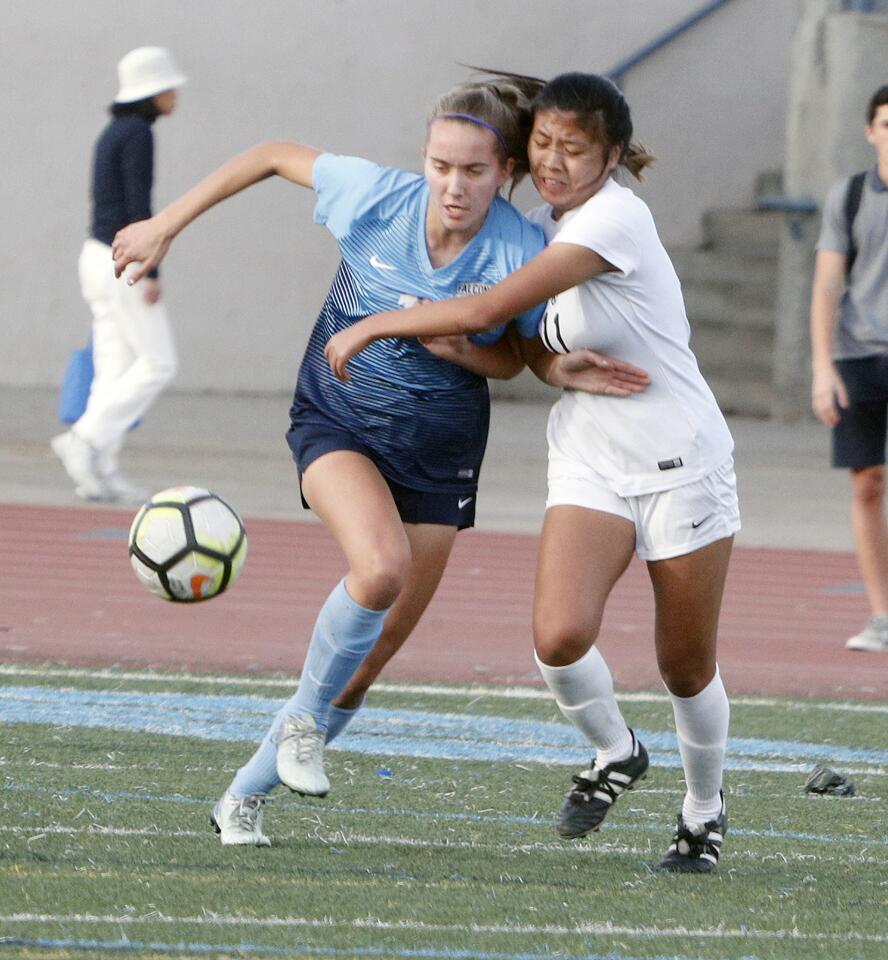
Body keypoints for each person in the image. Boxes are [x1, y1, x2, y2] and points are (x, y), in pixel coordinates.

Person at [111, 74, 650, 847]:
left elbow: (516, 359)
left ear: (505, 172)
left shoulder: (522, 247)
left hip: (439, 454)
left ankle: (242, 798)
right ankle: (301, 720)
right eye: (440, 166)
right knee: (378, 569)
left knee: (364, 663)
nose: (453, 186)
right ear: (423, 161)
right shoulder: (374, 197)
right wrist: (166, 224)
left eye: (473, 171)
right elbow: (268, 155)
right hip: (339, 423)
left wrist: (503, 356)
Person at [326, 71, 740, 874]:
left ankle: (702, 809)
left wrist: (377, 324)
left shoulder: (615, 217)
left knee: (683, 665)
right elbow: (520, 344)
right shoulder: (542, 224)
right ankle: (616, 751)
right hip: (590, 454)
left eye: (573, 149)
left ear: (612, 154)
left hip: (681, 462)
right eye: (542, 145)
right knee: (557, 638)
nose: (553, 162)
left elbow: (488, 310)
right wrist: (552, 365)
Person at [51, 47, 186, 504]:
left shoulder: (116, 132)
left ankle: (99, 470)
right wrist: (150, 268)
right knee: (159, 362)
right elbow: (137, 206)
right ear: (153, 91)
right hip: (120, 261)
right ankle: (85, 440)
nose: (176, 94)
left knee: (116, 368)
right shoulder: (137, 136)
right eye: (170, 86)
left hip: (97, 257)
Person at [810, 84, 888, 654]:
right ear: (870, 131)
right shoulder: (852, 197)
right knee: (868, 484)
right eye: (887, 124)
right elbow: (828, 284)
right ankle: (883, 614)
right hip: (860, 354)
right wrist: (822, 367)